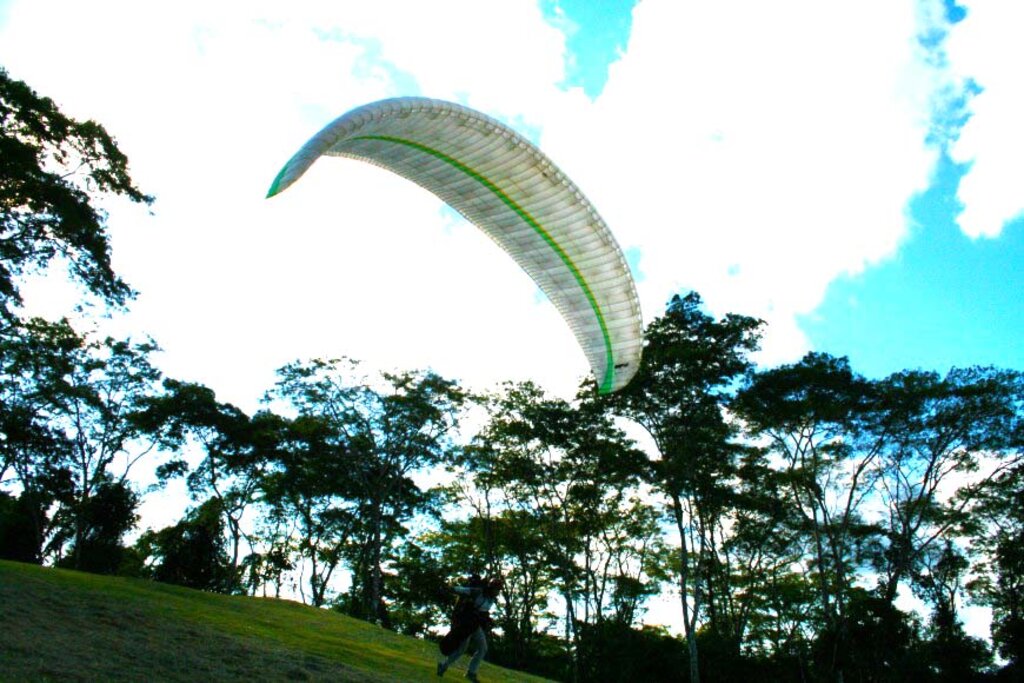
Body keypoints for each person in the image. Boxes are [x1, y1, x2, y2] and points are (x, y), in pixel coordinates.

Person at [437, 575, 503, 681]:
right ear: (491, 588)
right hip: (466, 624)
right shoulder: (478, 592)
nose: (498, 592)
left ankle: (471, 672)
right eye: (497, 589)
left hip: (475, 625)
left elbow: (484, 611)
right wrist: (451, 588)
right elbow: (464, 591)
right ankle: (443, 665)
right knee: (461, 649)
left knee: (483, 648)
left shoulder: (491, 599)